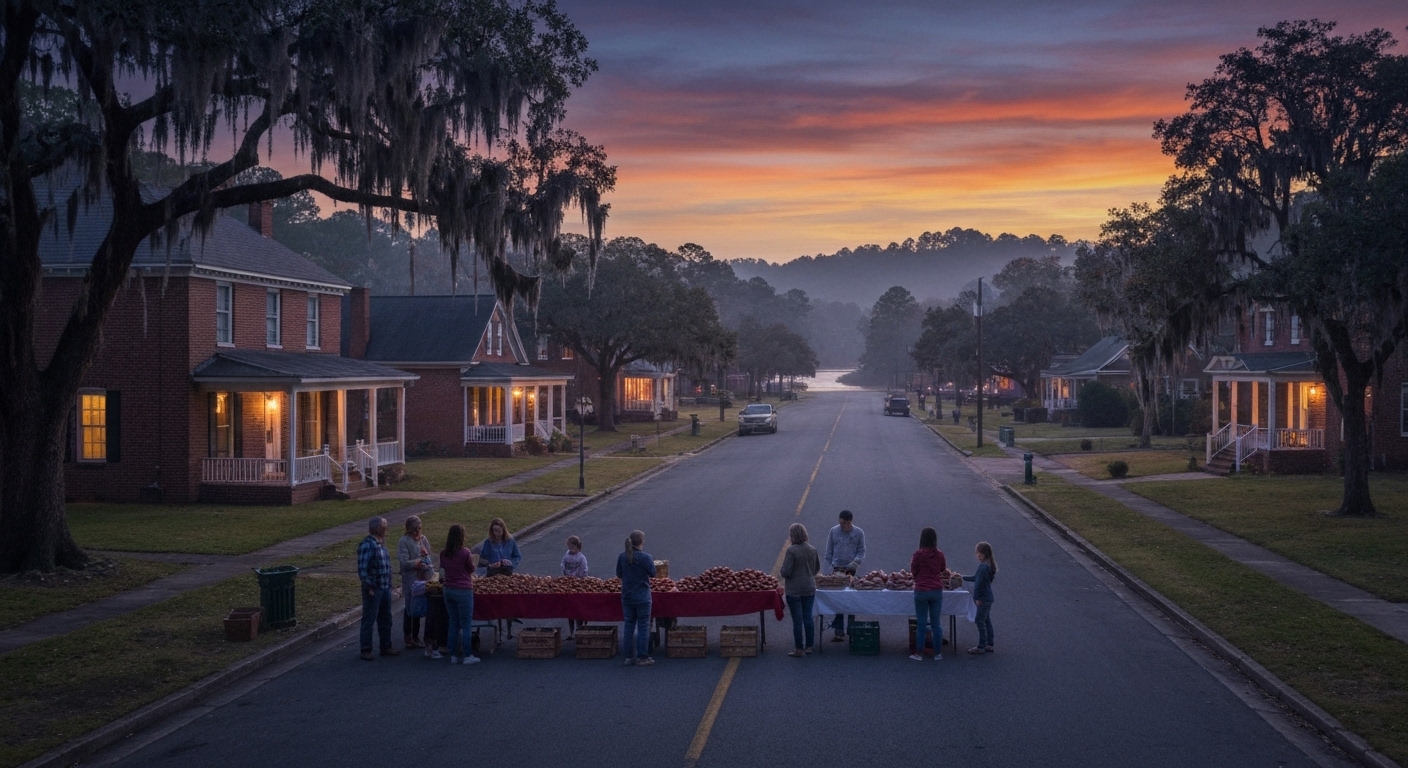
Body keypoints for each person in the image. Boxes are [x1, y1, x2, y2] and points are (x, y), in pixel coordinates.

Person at [357, 517, 400, 661]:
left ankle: (386, 646)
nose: (386, 529)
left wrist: (390, 585)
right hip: (374, 589)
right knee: (369, 619)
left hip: (384, 587)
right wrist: (369, 586)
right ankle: (366, 649)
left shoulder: (381, 544)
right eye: (384, 527)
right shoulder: (368, 545)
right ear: (378, 529)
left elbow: (386, 566)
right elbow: (363, 570)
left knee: (385, 618)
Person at [440, 524, 481, 665]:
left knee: (453, 622)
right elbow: (470, 569)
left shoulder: (443, 553)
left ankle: (453, 654)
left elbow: (444, 568)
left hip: (448, 589)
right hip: (463, 589)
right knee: (466, 623)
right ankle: (468, 654)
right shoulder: (465, 553)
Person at [823, 510, 865, 640]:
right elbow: (829, 551)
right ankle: (839, 630)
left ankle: (851, 628)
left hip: (851, 569)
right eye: (841, 523)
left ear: (850, 522)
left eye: (845, 523)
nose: (842, 525)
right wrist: (830, 567)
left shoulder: (858, 533)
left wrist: (855, 563)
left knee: (851, 599)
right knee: (839, 599)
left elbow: (861, 551)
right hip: (837, 569)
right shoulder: (833, 531)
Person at [617, 530, 657, 666]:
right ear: (641, 542)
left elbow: (619, 574)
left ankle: (628, 657)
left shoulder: (622, 557)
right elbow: (653, 573)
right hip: (642, 596)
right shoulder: (645, 557)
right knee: (643, 626)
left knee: (628, 625)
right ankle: (642, 656)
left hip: (627, 596)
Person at [780, 523, 820, 658]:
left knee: (797, 620)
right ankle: (809, 646)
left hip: (794, 590)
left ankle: (799, 648)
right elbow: (816, 569)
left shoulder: (791, 550)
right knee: (808, 617)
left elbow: (786, 571)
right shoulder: (812, 549)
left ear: (793, 536)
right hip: (809, 587)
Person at [910, 526, 947, 662]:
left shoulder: (918, 555)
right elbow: (943, 568)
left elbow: (914, 570)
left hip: (921, 590)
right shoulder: (939, 554)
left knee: (921, 623)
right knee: (936, 623)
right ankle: (938, 653)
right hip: (936, 590)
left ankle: (918, 653)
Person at [397, 515, 433, 649]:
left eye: (419, 528)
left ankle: (416, 636)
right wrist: (418, 562)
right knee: (410, 606)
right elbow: (403, 562)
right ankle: (408, 637)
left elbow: (428, 554)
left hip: (423, 576)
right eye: (414, 529)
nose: (417, 531)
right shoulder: (404, 541)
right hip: (411, 577)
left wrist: (426, 560)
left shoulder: (423, 539)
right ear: (408, 529)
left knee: (419, 605)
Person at [962, 541, 997, 654]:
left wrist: (977, 598)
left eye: (978, 553)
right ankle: (989, 643)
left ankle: (981, 646)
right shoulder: (988, 566)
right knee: (986, 620)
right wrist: (962, 577)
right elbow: (975, 578)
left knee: (979, 621)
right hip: (988, 598)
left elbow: (978, 584)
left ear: (982, 553)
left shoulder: (982, 568)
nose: (977, 555)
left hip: (983, 598)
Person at [562, 535, 589, 638]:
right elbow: (563, 566)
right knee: (570, 610)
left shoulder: (581, 558)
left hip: (578, 585)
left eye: (571, 546)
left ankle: (579, 629)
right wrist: (565, 576)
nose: (570, 549)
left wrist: (580, 580)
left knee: (578, 609)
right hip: (568, 585)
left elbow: (584, 571)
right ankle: (571, 632)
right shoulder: (566, 555)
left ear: (577, 546)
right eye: (568, 547)